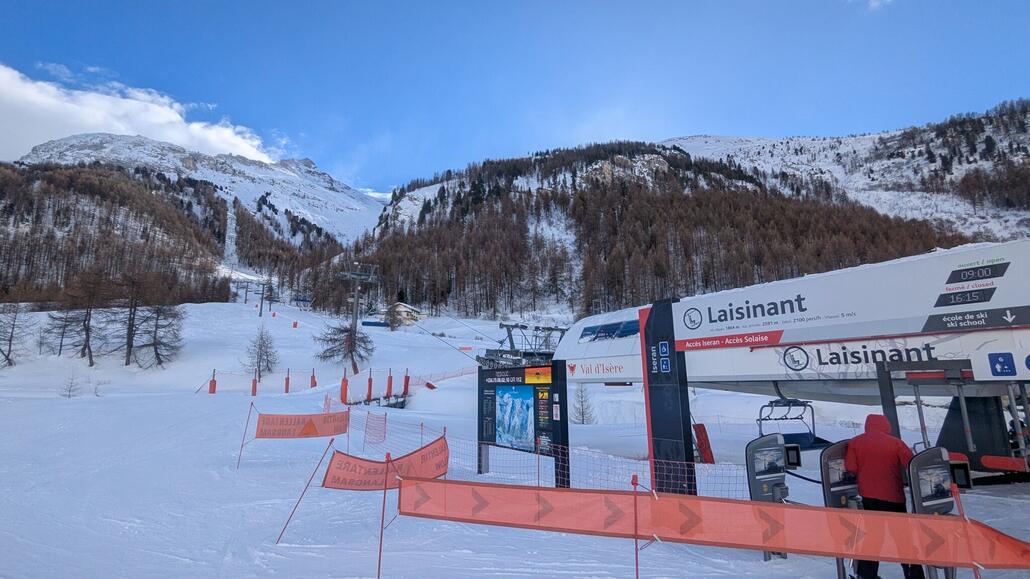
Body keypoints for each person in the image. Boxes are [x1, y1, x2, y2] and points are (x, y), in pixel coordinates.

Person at [844, 414, 926, 579]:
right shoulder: (895, 443)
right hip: (893, 497)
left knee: (873, 537)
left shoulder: (855, 442)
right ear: (885, 425)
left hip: (869, 498)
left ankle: (866, 575)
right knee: (903, 538)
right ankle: (913, 574)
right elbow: (911, 464)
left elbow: (850, 466)